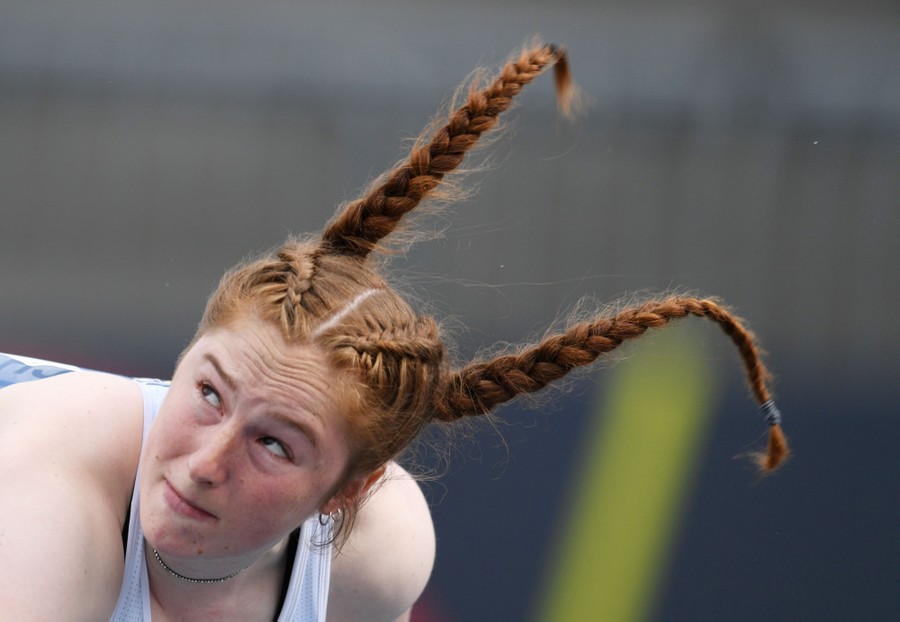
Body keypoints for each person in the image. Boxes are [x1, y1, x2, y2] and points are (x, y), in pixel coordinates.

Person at [0, 41, 788, 621]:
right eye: (206, 391)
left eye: (275, 444)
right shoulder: (53, 498)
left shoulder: (376, 561)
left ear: (348, 491)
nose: (207, 463)